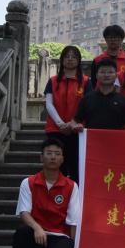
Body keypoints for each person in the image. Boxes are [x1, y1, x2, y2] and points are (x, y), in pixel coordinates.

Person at [8, 139, 81, 248]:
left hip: (59, 236)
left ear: (62, 158)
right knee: (21, 234)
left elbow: (73, 221)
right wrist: (37, 228)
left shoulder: (71, 186)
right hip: (37, 236)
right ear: (41, 157)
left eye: (57, 154)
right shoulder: (28, 182)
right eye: (49, 153)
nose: (53, 157)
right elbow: (24, 212)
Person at [43, 45, 89, 181]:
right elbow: (49, 103)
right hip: (55, 130)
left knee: (76, 167)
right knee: (56, 166)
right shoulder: (53, 81)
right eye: (67, 56)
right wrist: (60, 124)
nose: (70, 59)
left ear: (79, 60)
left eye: (73, 57)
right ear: (62, 60)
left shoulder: (86, 81)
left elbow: (87, 105)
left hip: (77, 130)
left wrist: (73, 123)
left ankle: (75, 193)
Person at [73, 58, 125, 131]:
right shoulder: (86, 99)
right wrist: (75, 126)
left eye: (110, 72)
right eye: (102, 72)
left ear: (116, 75)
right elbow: (75, 121)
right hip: (92, 138)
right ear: (96, 75)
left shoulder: (124, 101)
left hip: (115, 138)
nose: (106, 75)